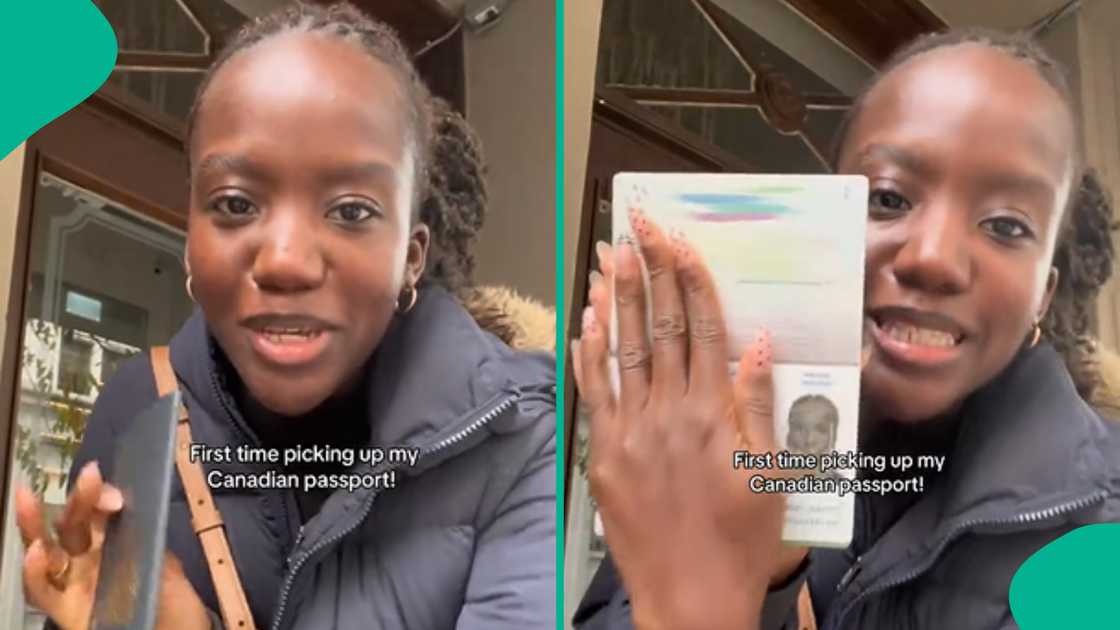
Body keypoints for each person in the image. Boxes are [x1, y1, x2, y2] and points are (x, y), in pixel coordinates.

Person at [16, 3, 556, 629]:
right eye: (236, 203)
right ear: (191, 237)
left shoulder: (519, 440)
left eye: (351, 211)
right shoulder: (139, 402)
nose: (286, 262)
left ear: (411, 257)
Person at [571, 28, 1120, 630]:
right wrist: (770, 582)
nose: (932, 257)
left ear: (1044, 293)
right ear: (821, 216)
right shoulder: (706, 437)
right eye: (887, 199)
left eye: (1007, 226)